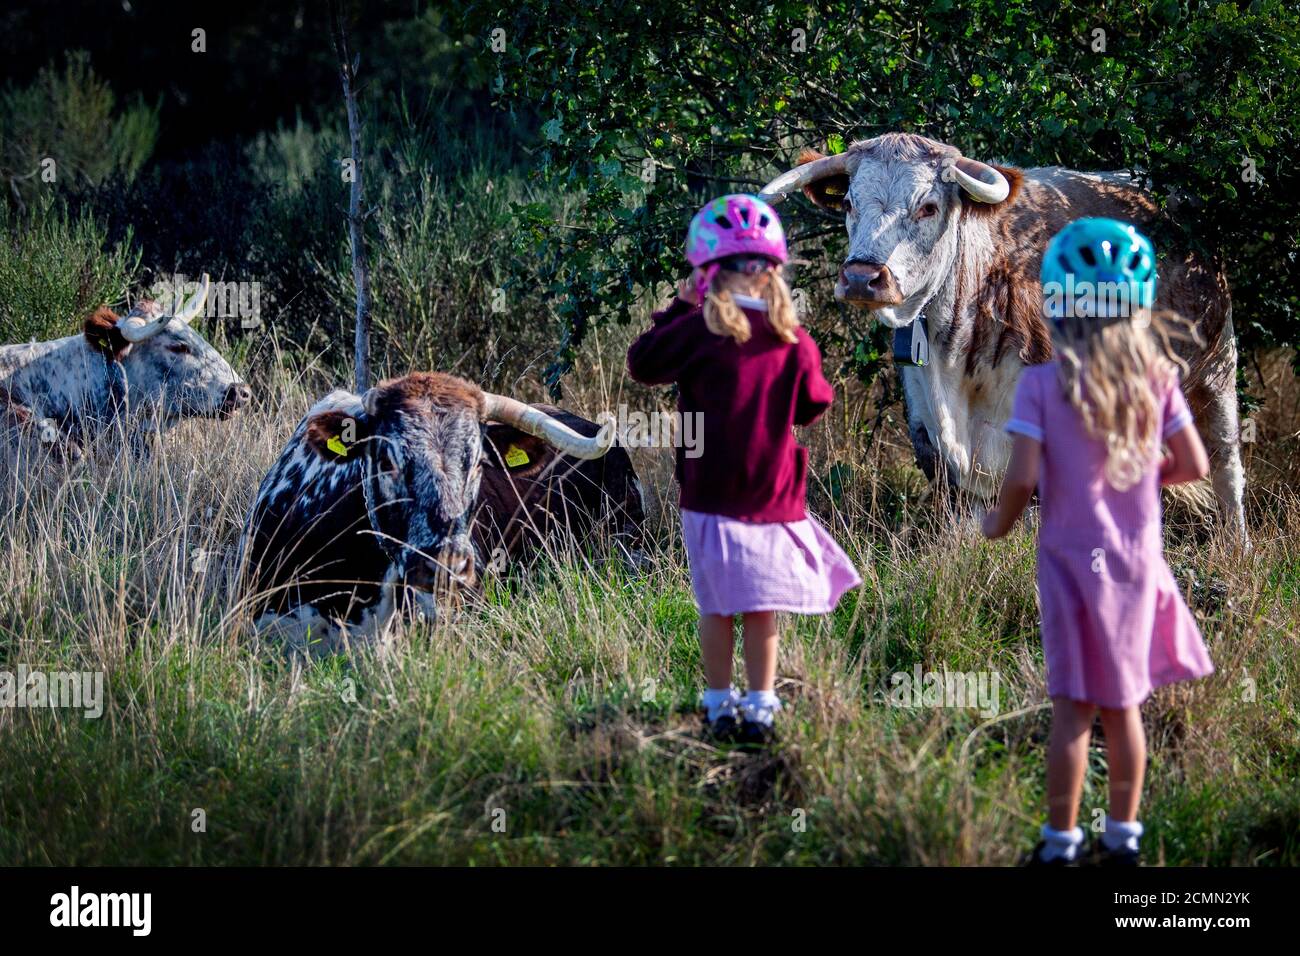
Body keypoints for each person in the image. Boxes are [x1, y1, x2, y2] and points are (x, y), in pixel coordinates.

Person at [982, 217, 1215, 865]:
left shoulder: (1040, 384)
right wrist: (1138, 475)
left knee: (1072, 715)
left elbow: (1022, 479)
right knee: (1124, 709)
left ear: (1057, 303)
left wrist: (994, 525)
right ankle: (1123, 841)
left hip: (1067, 568)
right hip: (1136, 566)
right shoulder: (1157, 380)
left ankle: (1059, 845)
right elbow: (1194, 464)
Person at [627, 194, 861, 747]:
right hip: (772, 498)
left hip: (707, 497)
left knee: (717, 604)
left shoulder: (696, 330)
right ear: (773, 272)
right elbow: (815, 404)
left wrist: (680, 309)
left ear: (706, 273)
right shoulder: (794, 342)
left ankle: (716, 702)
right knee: (761, 606)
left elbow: (643, 363)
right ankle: (761, 704)